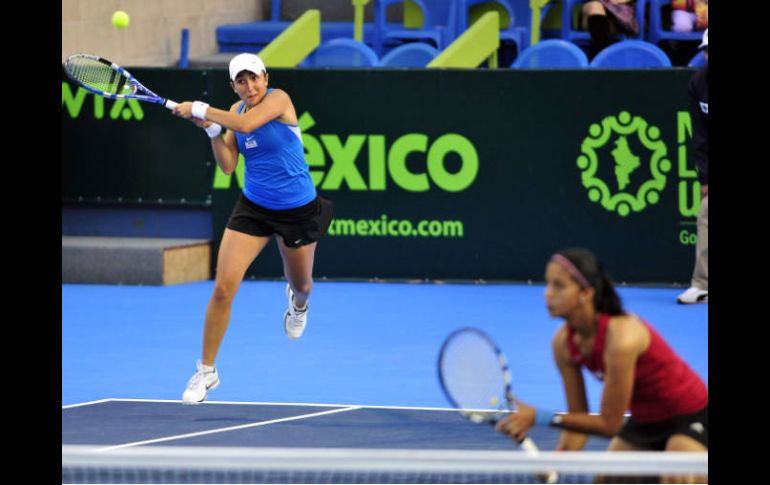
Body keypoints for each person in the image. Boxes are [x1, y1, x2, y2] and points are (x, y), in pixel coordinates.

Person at [171, 53, 334, 404]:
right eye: (241, 82)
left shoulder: (279, 100)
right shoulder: (234, 111)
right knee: (223, 288)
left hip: (297, 210)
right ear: (234, 86)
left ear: (265, 77)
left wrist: (200, 108)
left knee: (302, 285)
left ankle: (299, 304)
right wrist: (214, 132)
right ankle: (206, 371)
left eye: (254, 78)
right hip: (254, 207)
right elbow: (228, 165)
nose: (250, 87)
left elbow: (247, 127)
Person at [495, 248, 707, 473]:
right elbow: (579, 421)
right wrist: (557, 463)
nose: (547, 293)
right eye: (548, 284)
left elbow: (610, 424)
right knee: (607, 477)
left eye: (559, 286)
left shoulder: (622, 337)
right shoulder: (563, 344)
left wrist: (540, 416)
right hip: (647, 422)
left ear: (586, 293)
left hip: (691, 415)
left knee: (678, 468)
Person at [677, 29, 708, 304]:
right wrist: (704, 178)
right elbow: (700, 135)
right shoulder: (698, 83)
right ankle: (702, 284)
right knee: (706, 213)